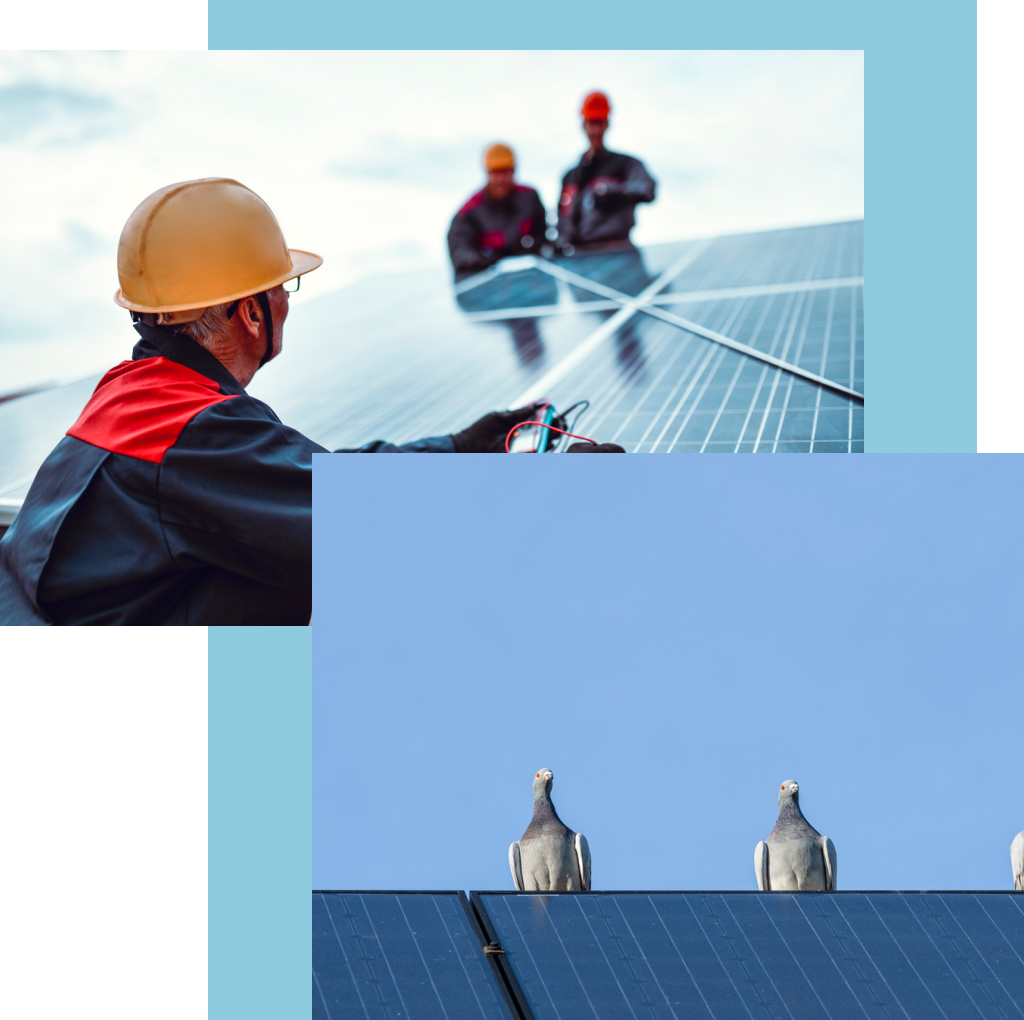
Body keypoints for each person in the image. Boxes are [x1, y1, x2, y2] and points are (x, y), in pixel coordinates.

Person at [0, 177, 574, 628]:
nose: (286, 302)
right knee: (331, 584)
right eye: (282, 287)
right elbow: (375, 531)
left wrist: (456, 448)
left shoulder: (136, 392)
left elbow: (310, 484)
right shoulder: (199, 432)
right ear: (250, 314)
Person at [557, 92, 656, 250]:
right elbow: (563, 219)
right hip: (577, 256)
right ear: (583, 125)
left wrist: (613, 192)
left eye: (599, 123)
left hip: (618, 252)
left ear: (607, 124)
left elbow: (647, 189)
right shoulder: (571, 176)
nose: (595, 130)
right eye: (591, 123)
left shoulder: (625, 165)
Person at [447, 144, 549, 278]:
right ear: (487, 172)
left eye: (505, 171)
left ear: (513, 171)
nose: (500, 179)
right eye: (495, 172)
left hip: (529, 279)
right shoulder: (470, 210)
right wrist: (488, 262)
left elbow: (543, 236)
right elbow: (459, 250)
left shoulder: (529, 199)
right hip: (488, 285)